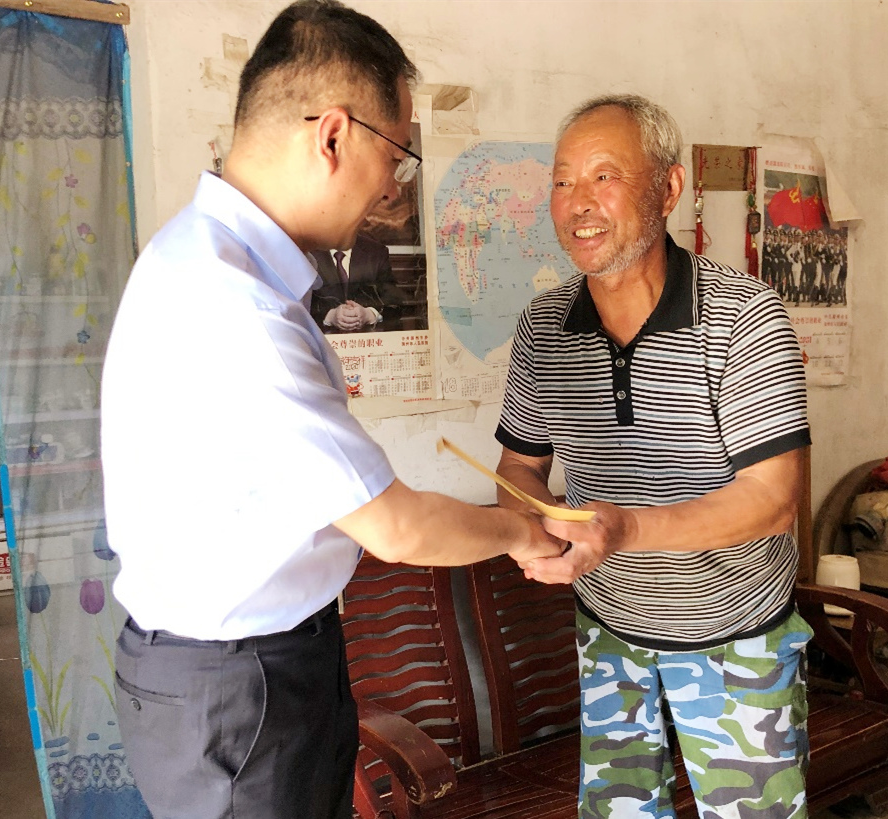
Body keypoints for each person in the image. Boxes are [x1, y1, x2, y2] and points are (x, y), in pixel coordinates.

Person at [99, 4, 561, 818]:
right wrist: (524, 531)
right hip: (239, 688)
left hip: (248, 670)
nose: (391, 186)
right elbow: (397, 528)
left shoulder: (203, 257)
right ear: (335, 136)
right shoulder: (236, 305)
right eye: (397, 155)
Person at [494, 95, 813, 819]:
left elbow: (773, 499)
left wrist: (625, 528)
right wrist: (526, 527)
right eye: (563, 180)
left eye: (604, 176)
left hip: (736, 643)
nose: (578, 202)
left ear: (668, 189)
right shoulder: (544, 327)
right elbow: (519, 466)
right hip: (609, 636)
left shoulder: (743, 316)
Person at [309, 232, 404, 332]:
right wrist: (330, 316)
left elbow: (394, 302)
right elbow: (300, 304)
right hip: (319, 336)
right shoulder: (307, 250)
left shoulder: (376, 251)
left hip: (368, 336)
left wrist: (369, 314)